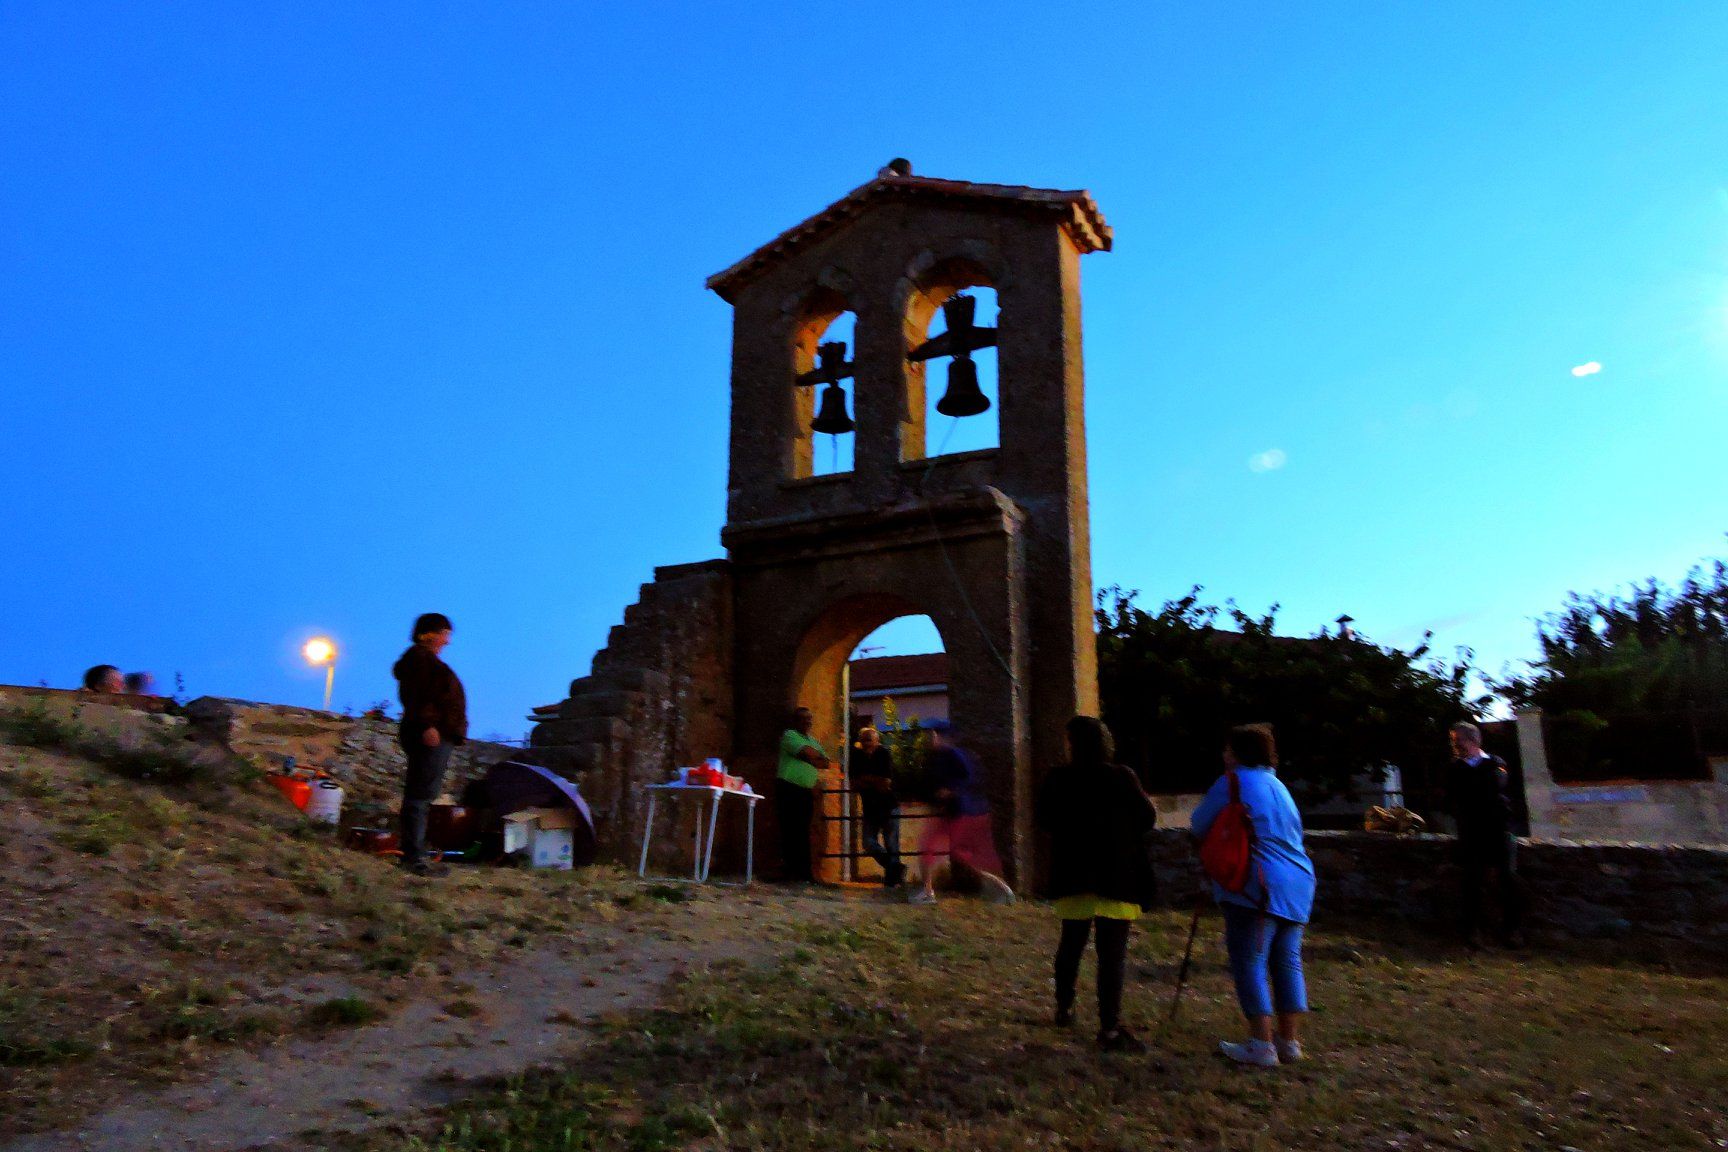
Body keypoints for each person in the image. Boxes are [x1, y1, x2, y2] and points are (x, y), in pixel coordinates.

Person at [1190, 724, 1315, 1068]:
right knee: (1287, 961)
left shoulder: (1232, 782)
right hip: (1299, 880)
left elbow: (1198, 823)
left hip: (1257, 883)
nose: (1223, 755)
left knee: (1250, 961)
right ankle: (1288, 1041)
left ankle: (1261, 1043)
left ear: (1238, 752)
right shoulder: (1279, 786)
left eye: (1228, 749)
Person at [1037, 716, 1158, 1053]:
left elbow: (1044, 821)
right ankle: (1109, 1026)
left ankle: (1065, 1007)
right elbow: (1147, 817)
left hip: (1074, 872)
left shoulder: (1058, 778)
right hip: (1115, 874)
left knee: (1071, 944)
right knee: (1111, 954)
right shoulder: (1121, 777)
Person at [393, 613, 467, 877]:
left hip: (436, 732)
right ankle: (414, 858)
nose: (447, 641)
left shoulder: (425, 662)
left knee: (422, 794)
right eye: (445, 634)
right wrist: (427, 726)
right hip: (430, 733)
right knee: (420, 796)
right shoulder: (421, 662)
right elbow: (417, 697)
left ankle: (414, 854)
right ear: (430, 634)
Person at [911, 720, 1014, 905]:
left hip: (957, 812)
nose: (931, 737)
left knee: (964, 857)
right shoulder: (936, 757)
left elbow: (968, 778)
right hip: (944, 812)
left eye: (934, 734)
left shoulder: (953, 755)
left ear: (943, 736)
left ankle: (1002, 889)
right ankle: (928, 891)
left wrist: (949, 791)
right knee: (928, 849)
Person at [1444, 721, 1528, 948]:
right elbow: (1455, 795)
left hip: (1499, 830)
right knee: (1472, 881)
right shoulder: (1455, 768)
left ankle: (1513, 931)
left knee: (1508, 879)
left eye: (1458, 739)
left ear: (1471, 740)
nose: (1454, 744)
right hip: (1471, 832)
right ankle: (1473, 931)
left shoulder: (1496, 763)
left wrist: (1473, 791)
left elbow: (1495, 786)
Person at [776, 706, 829, 883]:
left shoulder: (813, 741)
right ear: (795, 721)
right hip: (788, 787)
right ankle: (790, 872)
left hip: (805, 790)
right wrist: (811, 757)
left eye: (809, 718)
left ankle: (805, 873)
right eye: (803, 718)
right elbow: (807, 753)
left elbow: (825, 762)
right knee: (789, 829)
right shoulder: (789, 735)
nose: (807, 721)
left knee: (803, 830)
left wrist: (811, 757)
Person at [854, 726, 903, 887]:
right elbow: (855, 782)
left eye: (869, 739)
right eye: (864, 739)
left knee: (892, 845)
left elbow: (886, 783)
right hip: (870, 808)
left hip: (889, 806)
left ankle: (892, 880)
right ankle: (895, 868)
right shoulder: (858, 757)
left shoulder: (884, 754)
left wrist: (867, 779)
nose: (866, 743)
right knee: (868, 843)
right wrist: (874, 781)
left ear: (877, 741)